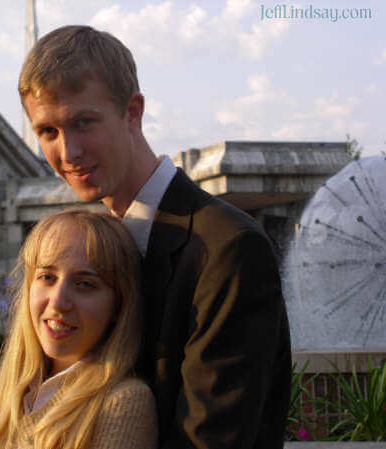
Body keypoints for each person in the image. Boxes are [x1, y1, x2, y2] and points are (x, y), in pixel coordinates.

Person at [19, 25, 292, 448]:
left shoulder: (227, 247)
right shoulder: (98, 246)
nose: (68, 153)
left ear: (133, 112)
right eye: (48, 132)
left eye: (83, 122)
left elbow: (212, 439)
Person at [0, 210, 158, 449]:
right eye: (47, 277)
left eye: (85, 284)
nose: (58, 302)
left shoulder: (122, 402)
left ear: (119, 305)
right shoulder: (10, 398)